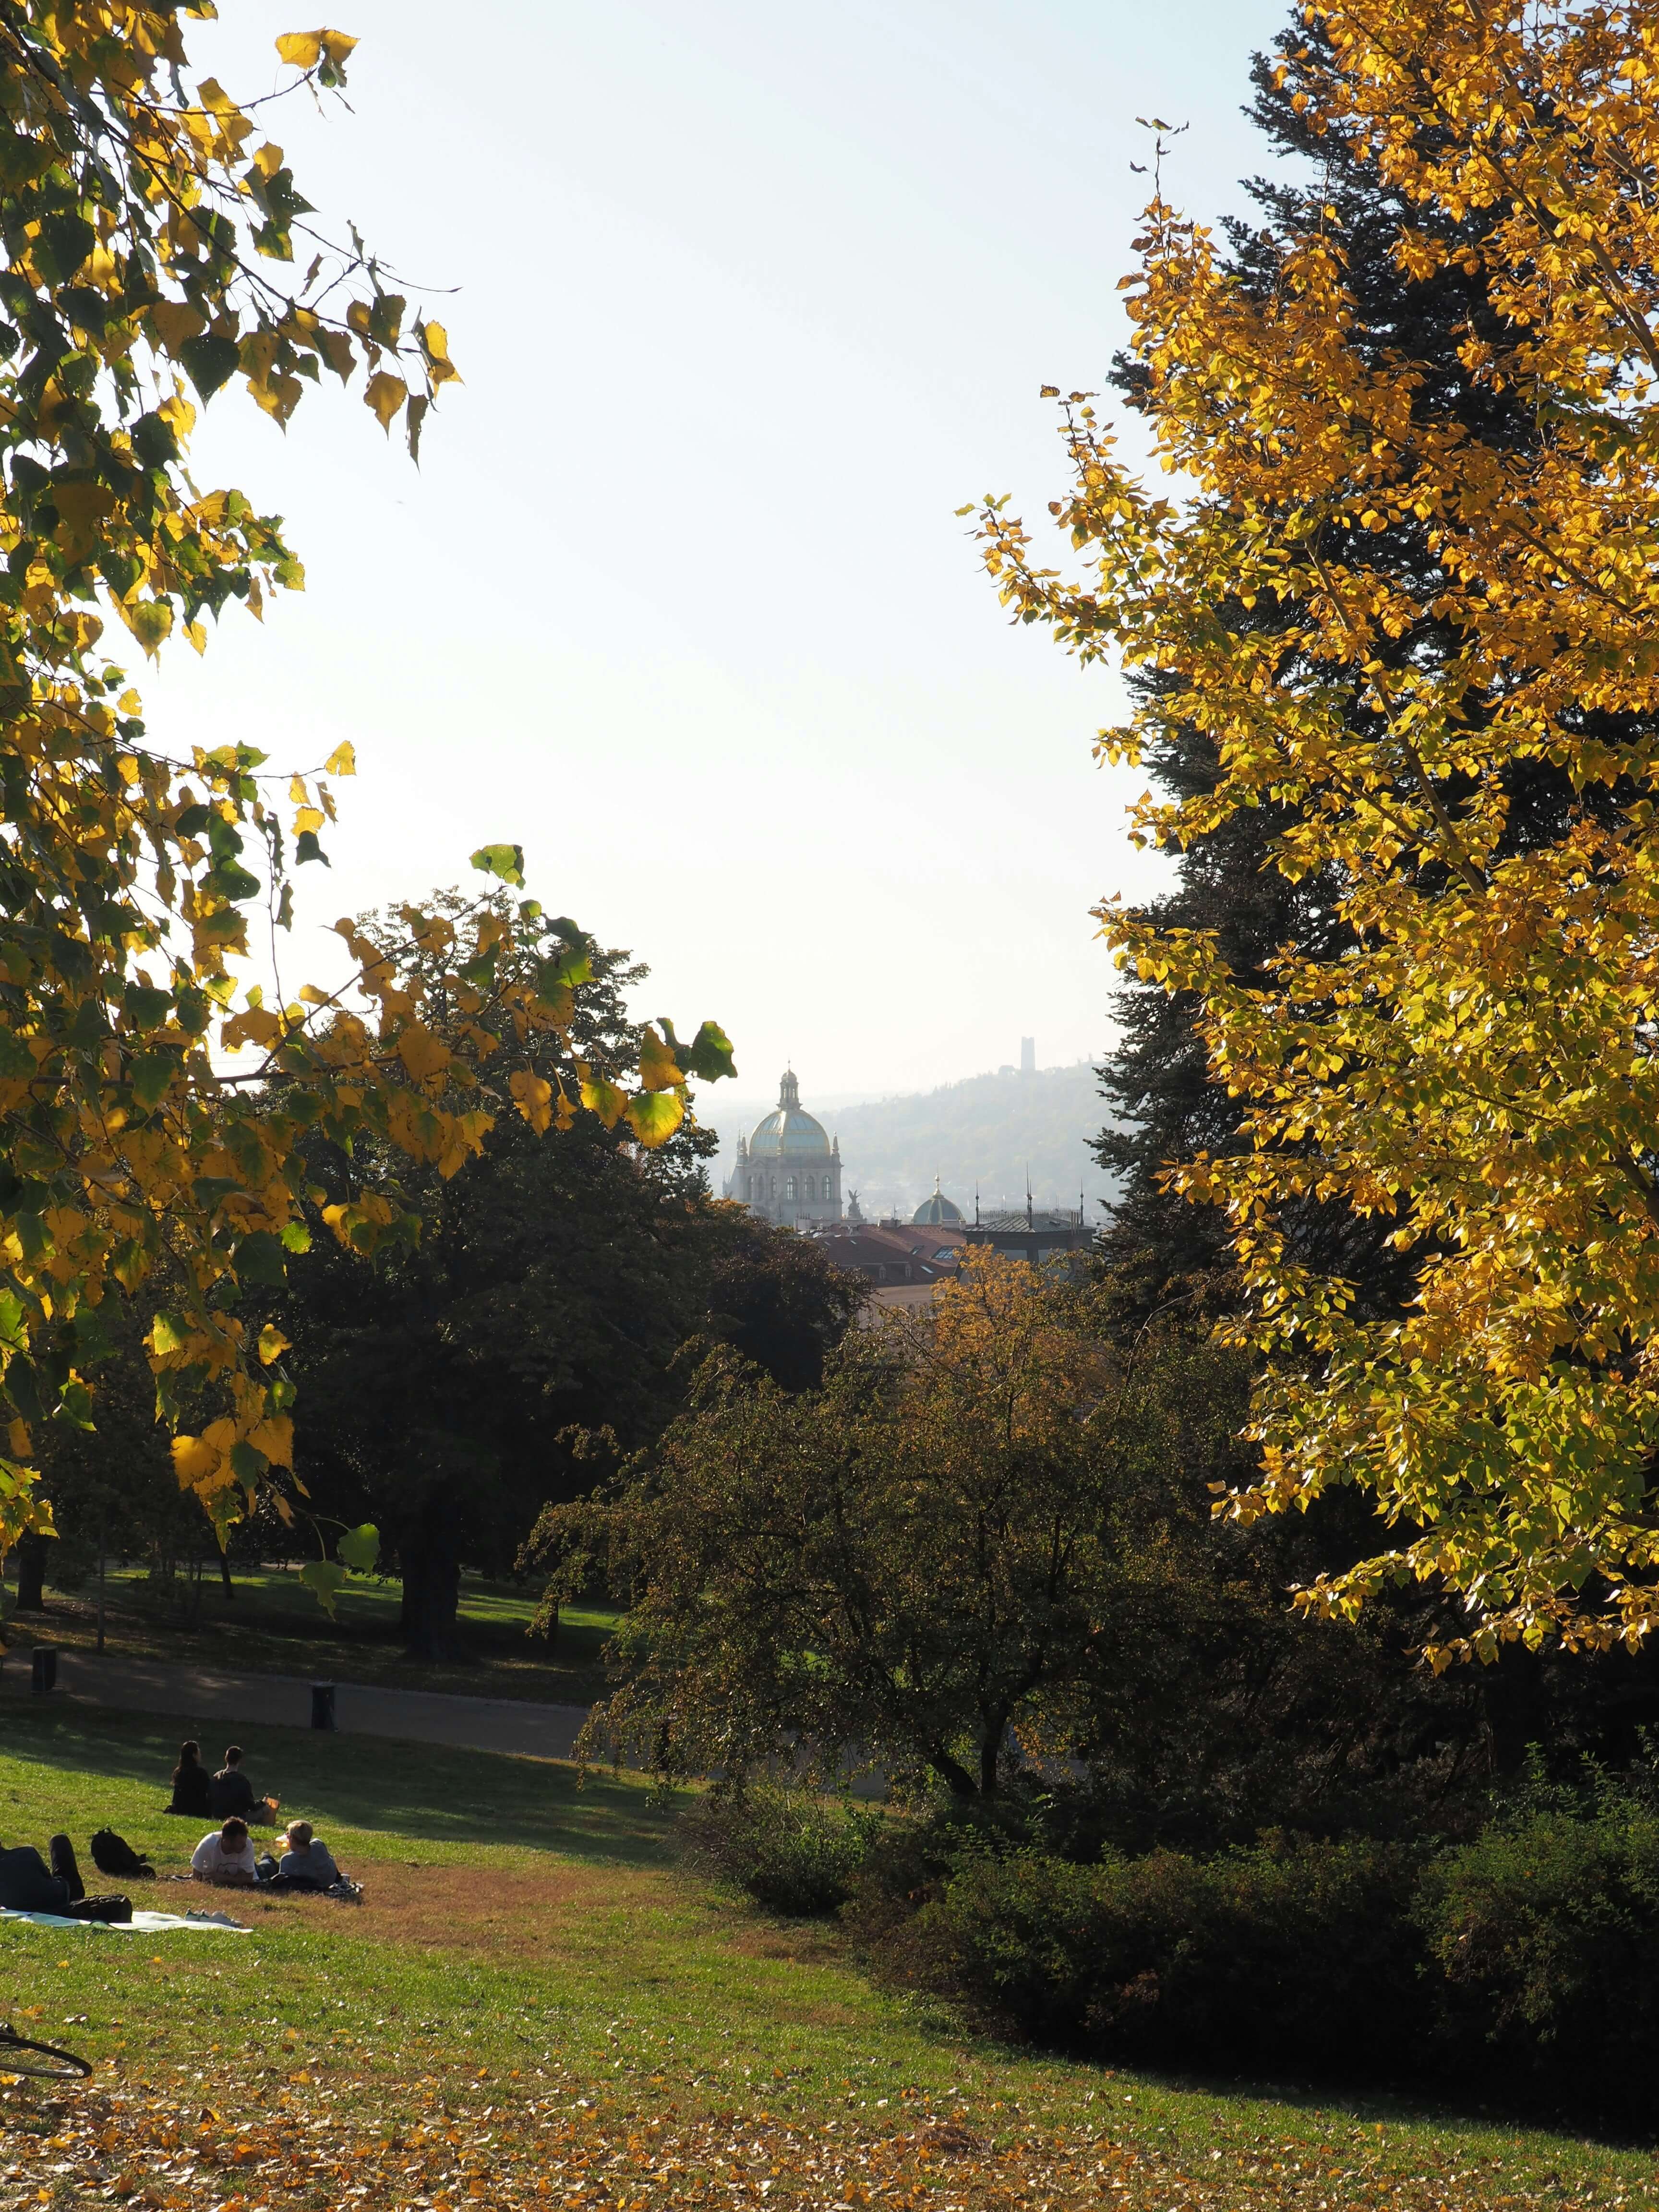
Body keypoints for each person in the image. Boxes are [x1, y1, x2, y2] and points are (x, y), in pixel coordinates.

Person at [261, 1820, 343, 1892]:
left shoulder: (287, 1859)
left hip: (308, 1881)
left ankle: (266, 1857)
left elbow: (281, 1880)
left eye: (288, 1835)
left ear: (292, 1838)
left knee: (268, 1860)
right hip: (328, 1881)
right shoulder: (319, 1845)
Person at [208, 1745, 277, 1825]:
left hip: (218, 1815)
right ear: (240, 1761)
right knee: (266, 1809)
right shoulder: (241, 1780)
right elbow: (251, 1806)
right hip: (237, 1817)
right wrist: (262, 1802)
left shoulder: (216, 1777)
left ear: (226, 1758)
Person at [191, 1816, 256, 1887]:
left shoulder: (248, 1845)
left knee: (266, 1867)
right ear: (227, 1840)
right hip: (245, 1868)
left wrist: (223, 1878)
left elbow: (248, 1879)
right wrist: (236, 1880)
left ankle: (267, 1857)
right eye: (240, 1843)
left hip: (256, 1869)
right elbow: (197, 1878)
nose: (245, 1845)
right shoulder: (207, 1845)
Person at [168, 1739, 212, 1818]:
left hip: (180, 1809)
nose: (200, 1755)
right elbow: (208, 1791)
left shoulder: (179, 1772)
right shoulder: (201, 1773)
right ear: (194, 1755)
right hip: (197, 1810)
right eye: (199, 1753)